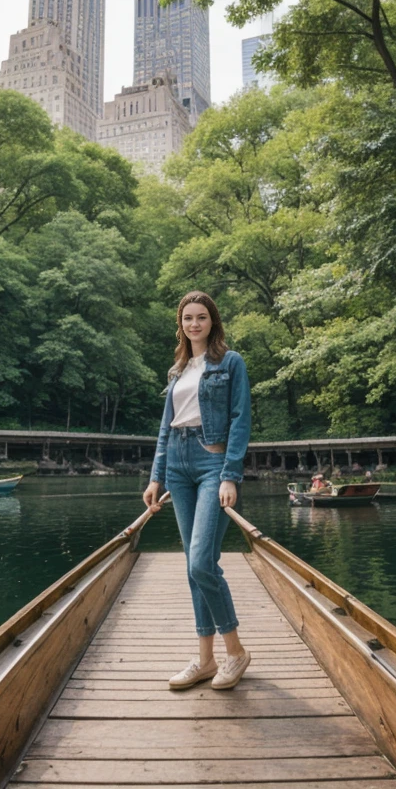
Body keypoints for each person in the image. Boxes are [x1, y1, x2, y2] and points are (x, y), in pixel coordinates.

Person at [143, 291, 252, 691]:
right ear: (181, 323)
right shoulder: (178, 369)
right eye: (187, 318)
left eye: (201, 317)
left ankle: (235, 652)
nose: (194, 324)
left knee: (202, 563)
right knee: (193, 567)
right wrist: (156, 477)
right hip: (176, 465)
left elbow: (241, 419)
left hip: (211, 463)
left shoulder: (230, 362)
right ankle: (205, 660)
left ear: (213, 321)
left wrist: (230, 474)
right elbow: (163, 428)